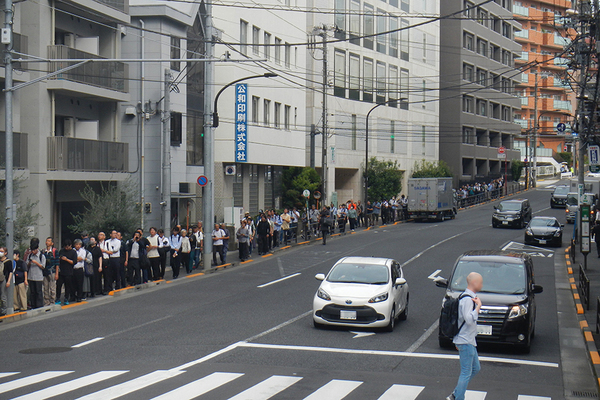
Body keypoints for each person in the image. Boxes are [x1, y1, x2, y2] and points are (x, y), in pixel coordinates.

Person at [447, 272, 483, 400]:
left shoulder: (466, 296)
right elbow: (468, 319)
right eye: (480, 282)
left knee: (475, 368)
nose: (481, 284)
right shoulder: (468, 299)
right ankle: (458, 397)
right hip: (465, 340)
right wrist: (478, 307)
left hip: (468, 340)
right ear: (474, 283)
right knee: (466, 372)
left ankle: (456, 393)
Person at [26, 238, 46, 309]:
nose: (33, 252)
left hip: (38, 277)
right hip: (31, 276)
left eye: (34, 250)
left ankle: (39, 305)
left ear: (37, 248)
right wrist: (30, 263)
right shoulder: (30, 256)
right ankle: (33, 305)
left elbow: (43, 266)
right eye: (32, 250)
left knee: (38, 291)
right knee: (32, 292)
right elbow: (26, 265)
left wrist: (36, 262)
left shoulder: (41, 256)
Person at [56, 239, 77, 305]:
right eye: (65, 247)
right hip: (61, 271)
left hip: (69, 271)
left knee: (67, 286)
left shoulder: (73, 252)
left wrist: (66, 259)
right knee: (59, 285)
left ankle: (66, 298)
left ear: (70, 245)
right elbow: (58, 259)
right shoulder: (62, 251)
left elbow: (74, 262)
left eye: (67, 247)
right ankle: (58, 298)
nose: (66, 248)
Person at [41, 237, 59, 306]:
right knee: (45, 287)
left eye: (49, 241)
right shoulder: (43, 251)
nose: (47, 242)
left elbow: (57, 263)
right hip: (45, 272)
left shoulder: (55, 251)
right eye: (46, 241)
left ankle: (52, 301)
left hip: (52, 271)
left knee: (52, 287)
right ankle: (46, 301)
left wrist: (57, 273)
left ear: (52, 243)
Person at [0, 248, 10, 315]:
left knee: (3, 296)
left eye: (2, 251)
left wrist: (8, 281)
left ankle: (4, 311)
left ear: (5, 253)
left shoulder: (8, 261)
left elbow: (10, 272)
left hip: (3, 279)